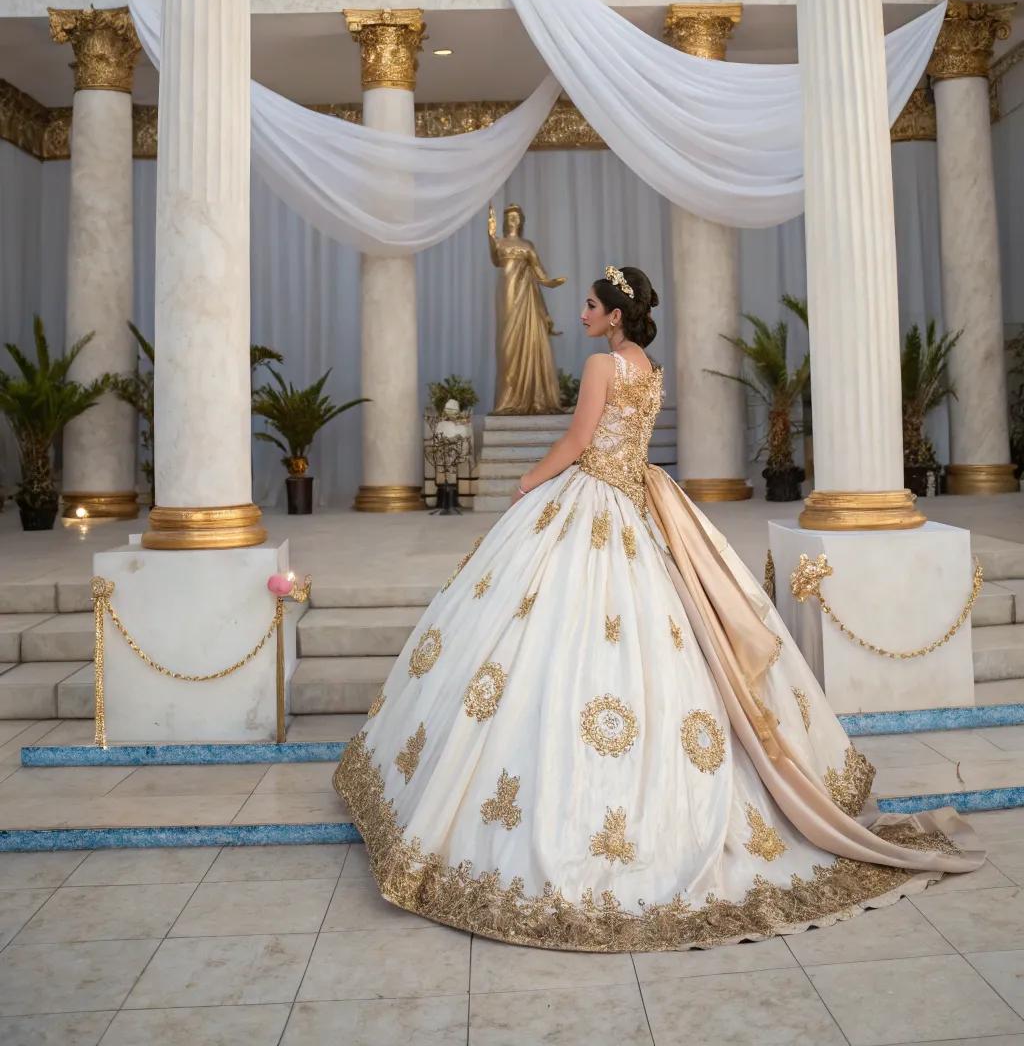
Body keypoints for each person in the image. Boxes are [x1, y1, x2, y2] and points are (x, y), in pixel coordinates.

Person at [334, 265, 982, 951]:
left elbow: (579, 443)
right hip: (635, 507)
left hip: (592, 503)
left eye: (589, 304)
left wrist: (527, 482)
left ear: (615, 315)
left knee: (543, 638)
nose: (579, 313)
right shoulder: (648, 367)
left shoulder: (599, 365)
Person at [488, 203, 566, 414]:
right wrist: (490, 233)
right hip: (505, 295)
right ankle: (508, 398)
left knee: (525, 341)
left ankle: (532, 396)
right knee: (506, 347)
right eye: (510, 217)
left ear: (521, 221)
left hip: (525, 295)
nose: (514, 220)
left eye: (517, 217)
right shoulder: (500, 243)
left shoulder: (527, 245)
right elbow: (495, 259)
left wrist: (551, 282)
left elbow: (540, 272)